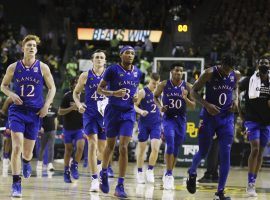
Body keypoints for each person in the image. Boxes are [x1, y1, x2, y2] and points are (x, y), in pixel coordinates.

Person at [0, 34, 56, 197]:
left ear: (36, 49)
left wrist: (46, 105)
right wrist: (11, 94)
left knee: (27, 153)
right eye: (28, 45)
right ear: (23, 48)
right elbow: (3, 85)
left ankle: (26, 162)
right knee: (16, 146)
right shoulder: (13, 67)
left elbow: (52, 88)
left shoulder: (43, 67)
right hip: (17, 111)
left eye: (34, 46)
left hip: (35, 113)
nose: (31, 47)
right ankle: (16, 183)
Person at [186, 55, 240, 200]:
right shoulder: (209, 73)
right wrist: (207, 105)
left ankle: (220, 193)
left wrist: (235, 100)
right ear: (221, 64)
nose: (228, 72)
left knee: (225, 155)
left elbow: (235, 89)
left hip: (227, 118)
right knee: (203, 151)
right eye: (226, 69)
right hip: (209, 117)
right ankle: (192, 172)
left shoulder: (236, 74)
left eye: (231, 70)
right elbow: (193, 92)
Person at [97, 45, 142, 198]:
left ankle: (120, 185)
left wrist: (136, 97)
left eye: (132, 53)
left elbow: (135, 90)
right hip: (112, 112)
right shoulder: (112, 70)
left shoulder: (138, 72)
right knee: (109, 146)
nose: (130, 55)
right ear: (121, 55)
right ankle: (103, 171)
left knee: (123, 147)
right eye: (127, 53)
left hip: (128, 113)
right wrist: (113, 93)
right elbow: (99, 89)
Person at [154, 63, 196, 190]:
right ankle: (168, 174)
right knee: (170, 143)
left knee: (176, 147)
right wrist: (160, 106)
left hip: (181, 120)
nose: (179, 73)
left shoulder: (188, 86)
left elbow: (193, 105)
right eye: (177, 70)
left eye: (181, 71)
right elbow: (155, 96)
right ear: (171, 71)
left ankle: (170, 173)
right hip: (168, 119)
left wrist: (185, 98)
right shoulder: (164, 84)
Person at [73, 49, 107, 192]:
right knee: (92, 144)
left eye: (101, 57)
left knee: (102, 150)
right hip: (90, 115)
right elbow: (76, 93)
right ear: (92, 60)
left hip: (105, 116)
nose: (99, 59)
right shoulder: (85, 75)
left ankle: (99, 167)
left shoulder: (110, 76)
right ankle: (94, 178)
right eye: (97, 57)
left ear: (105, 61)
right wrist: (79, 104)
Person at [238, 57, 270, 197]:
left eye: (267, 63)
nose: (264, 65)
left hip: (266, 121)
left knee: (261, 151)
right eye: (262, 63)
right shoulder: (248, 80)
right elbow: (237, 96)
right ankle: (250, 184)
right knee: (255, 148)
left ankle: (253, 181)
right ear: (258, 65)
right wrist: (242, 118)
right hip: (251, 120)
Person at [135, 73, 161, 184]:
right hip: (144, 124)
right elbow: (134, 105)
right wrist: (141, 111)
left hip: (156, 124)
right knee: (142, 150)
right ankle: (140, 172)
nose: (155, 86)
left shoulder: (160, 92)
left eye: (157, 83)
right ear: (149, 81)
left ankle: (150, 170)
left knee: (155, 148)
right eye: (153, 83)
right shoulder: (142, 92)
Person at [58, 77, 85, 183]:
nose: (78, 84)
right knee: (68, 150)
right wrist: (71, 108)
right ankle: (66, 171)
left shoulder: (85, 96)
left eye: (80, 83)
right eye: (76, 83)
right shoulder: (67, 96)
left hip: (80, 127)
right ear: (72, 85)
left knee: (80, 147)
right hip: (68, 128)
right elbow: (60, 112)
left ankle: (75, 165)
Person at [36, 104, 58, 171]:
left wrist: (55, 129)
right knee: (42, 147)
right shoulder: (42, 108)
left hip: (52, 130)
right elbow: (39, 118)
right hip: (44, 131)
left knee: (51, 147)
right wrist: (40, 127)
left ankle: (50, 164)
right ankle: (39, 162)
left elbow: (56, 119)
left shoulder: (55, 109)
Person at [0, 97, 13, 171]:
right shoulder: (9, 100)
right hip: (9, 121)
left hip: (19, 121)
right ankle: (5, 158)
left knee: (14, 142)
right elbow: (3, 111)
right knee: (7, 140)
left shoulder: (24, 99)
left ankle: (11, 158)